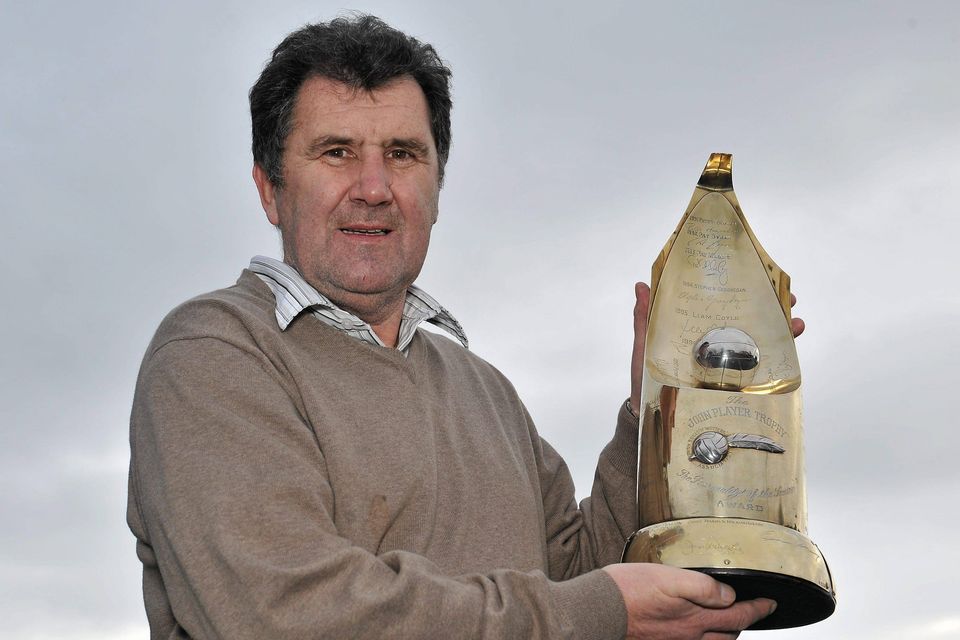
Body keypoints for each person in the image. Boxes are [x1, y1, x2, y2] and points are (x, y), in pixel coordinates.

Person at [128, 14, 792, 639]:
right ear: (269, 189)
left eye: (402, 154)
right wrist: (597, 611)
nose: (373, 187)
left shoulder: (488, 394)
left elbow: (587, 581)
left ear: (438, 188)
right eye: (336, 152)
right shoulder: (213, 355)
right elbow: (286, 614)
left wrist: (660, 403)